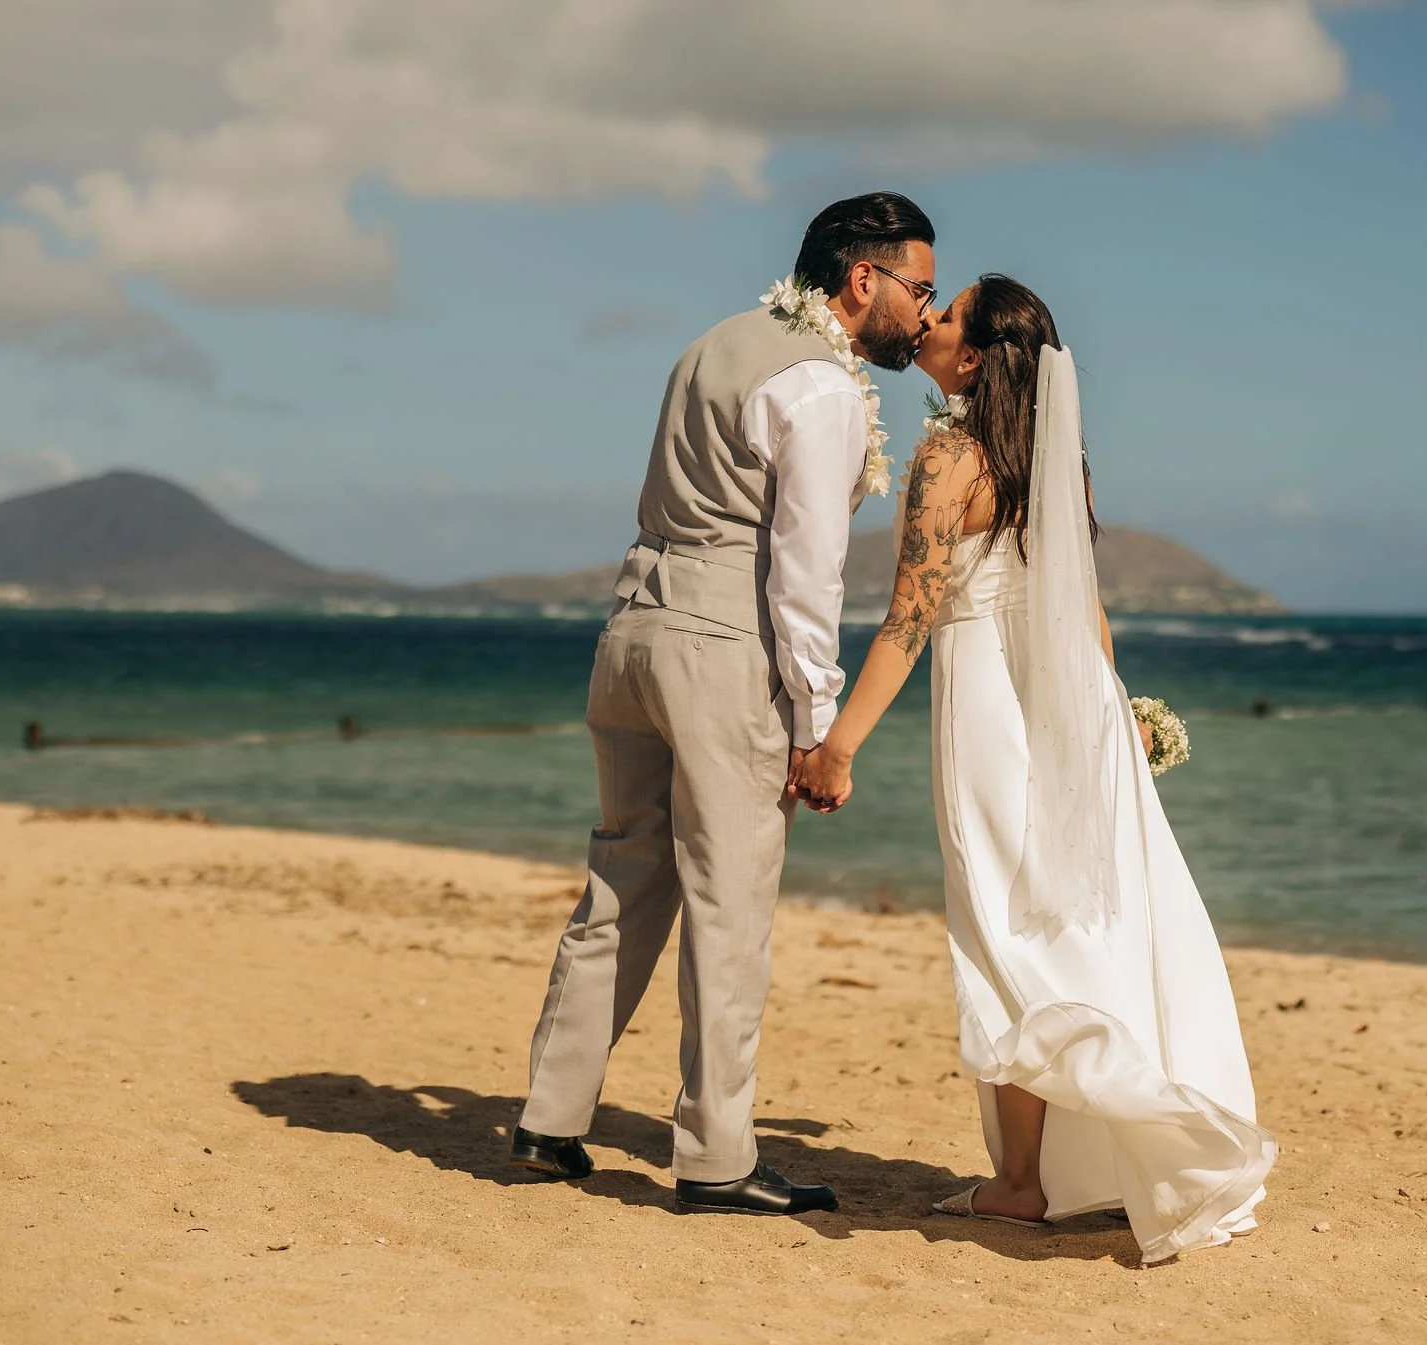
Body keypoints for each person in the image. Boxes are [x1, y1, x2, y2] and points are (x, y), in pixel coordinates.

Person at [797, 276, 1274, 1263]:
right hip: (1072, 706)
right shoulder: (1057, 460)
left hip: (986, 705)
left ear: (969, 359)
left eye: (945, 311)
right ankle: (1087, 1161)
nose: (924, 317)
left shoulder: (944, 457)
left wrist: (837, 744)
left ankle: (1023, 1182)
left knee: (1003, 926)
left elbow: (909, 619)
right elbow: (1081, 609)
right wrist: (1115, 710)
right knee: (1076, 915)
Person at [509, 192, 937, 1216]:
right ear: (859, 277)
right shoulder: (822, 389)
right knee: (729, 904)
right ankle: (715, 1159)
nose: (923, 314)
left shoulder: (713, 343)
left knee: (621, 878)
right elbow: (806, 576)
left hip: (630, 630)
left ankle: (549, 1115)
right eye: (917, 289)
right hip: (717, 644)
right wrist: (814, 723)